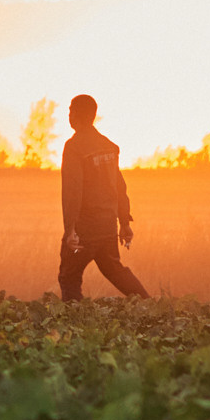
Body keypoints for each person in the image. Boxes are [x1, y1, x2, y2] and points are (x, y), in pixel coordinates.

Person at [59, 94, 148, 300]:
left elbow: (73, 191)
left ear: (76, 115)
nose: (69, 115)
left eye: (70, 111)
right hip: (107, 227)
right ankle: (150, 305)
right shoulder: (109, 146)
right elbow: (119, 186)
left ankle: (74, 325)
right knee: (115, 270)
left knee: (69, 277)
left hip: (84, 230)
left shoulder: (74, 147)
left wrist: (70, 229)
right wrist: (124, 222)